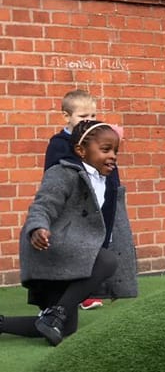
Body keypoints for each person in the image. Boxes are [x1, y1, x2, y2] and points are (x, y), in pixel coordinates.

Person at [0, 120, 138, 346]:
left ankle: (12, 323)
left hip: (72, 257)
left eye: (116, 151)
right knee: (106, 259)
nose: (113, 155)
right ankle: (57, 312)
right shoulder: (64, 173)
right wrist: (38, 228)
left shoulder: (105, 181)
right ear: (80, 151)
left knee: (66, 328)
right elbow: (42, 205)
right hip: (49, 248)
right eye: (105, 150)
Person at [44, 89, 120, 310]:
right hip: (74, 210)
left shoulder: (100, 139)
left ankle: (87, 291)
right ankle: (59, 298)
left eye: (93, 116)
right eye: (82, 117)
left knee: (97, 249)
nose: (89, 121)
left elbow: (111, 171)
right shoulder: (59, 144)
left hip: (98, 205)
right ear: (66, 116)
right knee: (74, 251)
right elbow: (53, 175)